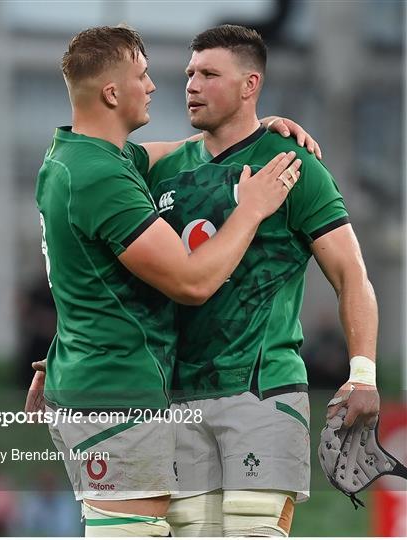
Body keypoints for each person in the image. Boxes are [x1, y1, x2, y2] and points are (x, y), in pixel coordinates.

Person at [33, 25, 304, 538]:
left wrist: (248, 129)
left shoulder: (78, 158)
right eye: (143, 75)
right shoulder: (101, 179)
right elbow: (193, 282)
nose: (155, 86)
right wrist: (249, 212)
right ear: (113, 93)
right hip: (115, 395)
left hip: (96, 385)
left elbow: (160, 154)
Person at [145, 25, 380, 537]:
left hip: (263, 392)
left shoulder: (291, 167)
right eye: (189, 73)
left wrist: (362, 373)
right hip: (178, 397)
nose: (191, 84)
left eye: (209, 74)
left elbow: (351, 273)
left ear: (250, 85)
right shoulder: (161, 170)